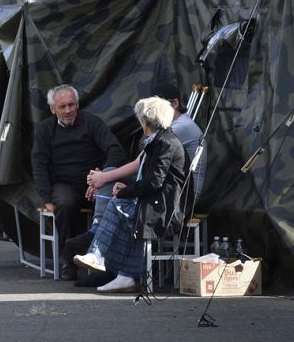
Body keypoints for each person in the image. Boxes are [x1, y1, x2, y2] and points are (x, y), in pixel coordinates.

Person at [64, 82, 203, 284]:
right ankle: (117, 267)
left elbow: (150, 177)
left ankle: (106, 257)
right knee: (117, 195)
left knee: (120, 204)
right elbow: (150, 173)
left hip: (172, 202)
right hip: (164, 195)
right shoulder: (162, 137)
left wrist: (121, 188)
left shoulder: (168, 137)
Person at [31, 84, 124, 278]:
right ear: (52, 109)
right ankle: (70, 261)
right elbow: (39, 164)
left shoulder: (92, 123)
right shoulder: (45, 129)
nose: (67, 110)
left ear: (78, 105)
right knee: (64, 203)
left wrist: (100, 176)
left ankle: (107, 262)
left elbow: (115, 149)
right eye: (62, 106)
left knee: (116, 200)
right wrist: (46, 197)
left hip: (93, 182)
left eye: (71, 105)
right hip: (63, 184)